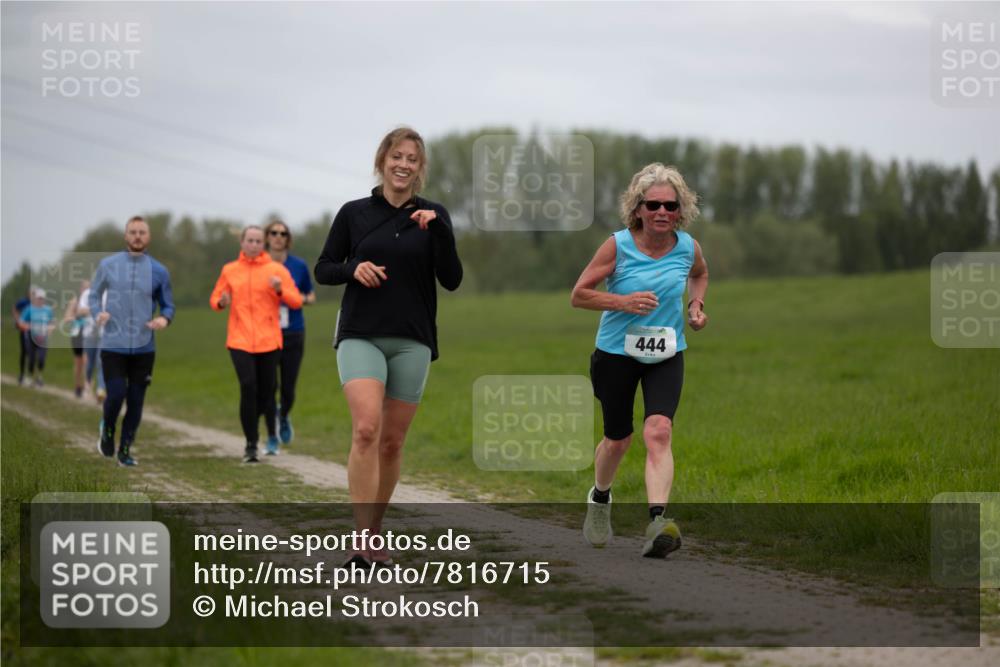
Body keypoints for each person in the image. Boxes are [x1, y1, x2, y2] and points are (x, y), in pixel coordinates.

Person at [315, 126, 463, 568]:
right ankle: (361, 540)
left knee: (393, 443)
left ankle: (374, 533)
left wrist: (439, 234)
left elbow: (452, 280)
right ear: (382, 161)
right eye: (396, 156)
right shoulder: (354, 213)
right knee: (366, 429)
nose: (403, 164)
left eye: (412, 159)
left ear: (420, 168)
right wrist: (352, 269)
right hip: (360, 332)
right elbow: (324, 268)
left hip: (413, 339)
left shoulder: (434, 215)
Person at [571, 163, 709, 559]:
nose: (662, 212)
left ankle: (657, 523)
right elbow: (579, 295)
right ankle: (599, 499)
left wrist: (696, 305)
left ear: (680, 209)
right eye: (653, 205)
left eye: (671, 205)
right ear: (638, 209)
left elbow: (700, 274)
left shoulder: (688, 247)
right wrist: (622, 302)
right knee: (618, 440)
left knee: (659, 431)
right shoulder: (618, 245)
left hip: (666, 353)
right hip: (616, 354)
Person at [210, 226, 303, 462]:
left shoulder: (276, 269)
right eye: (249, 240)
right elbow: (215, 299)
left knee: (266, 392)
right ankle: (251, 444)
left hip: (269, 340)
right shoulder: (230, 270)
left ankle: (261, 424)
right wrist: (221, 302)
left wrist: (280, 289)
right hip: (239, 339)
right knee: (248, 386)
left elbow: (295, 301)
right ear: (242, 243)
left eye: (258, 241)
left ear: (263, 244)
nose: (253, 244)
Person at [90, 216, 176, 467]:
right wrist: (98, 313)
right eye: (133, 232)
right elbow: (94, 296)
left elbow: (168, 304)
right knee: (116, 394)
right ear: (125, 236)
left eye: (142, 232)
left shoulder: (159, 271)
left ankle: (125, 448)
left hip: (144, 347)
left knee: (136, 401)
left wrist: (164, 319)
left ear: (148, 237)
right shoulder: (108, 265)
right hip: (113, 345)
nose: (137, 236)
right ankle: (107, 430)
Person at [263, 218, 316, 450]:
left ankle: (283, 415)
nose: (278, 237)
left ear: (288, 239)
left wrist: (295, 299)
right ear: (267, 237)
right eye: (274, 233)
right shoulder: (259, 265)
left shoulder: (298, 265)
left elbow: (311, 296)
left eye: (283, 234)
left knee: (288, 388)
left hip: (293, 331)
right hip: (265, 331)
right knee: (268, 385)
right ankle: (272, 435)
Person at [20, 287, 55, 386]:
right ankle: (30, 376)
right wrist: (28, 326)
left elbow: (52, 322)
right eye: (39, 298)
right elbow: (21, 322)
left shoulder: (48, 310)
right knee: (31, 358)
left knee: (41, 358)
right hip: (31, 337)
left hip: (43, 337)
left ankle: (39, 377)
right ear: (35, 299)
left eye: (42, 298)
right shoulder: (29, 309)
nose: (40, 300)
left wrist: (50, 328)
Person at [79, 280, 107, 403]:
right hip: (89, 333)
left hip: (103, 333)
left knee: (101, 361)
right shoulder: (87, 294)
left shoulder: (109, 294)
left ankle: (101, 389)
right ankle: (88, 385)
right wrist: (95, 310)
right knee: (89, 363)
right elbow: (80, 311)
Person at [62, 280, 90, 398]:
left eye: (89, 288)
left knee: (87, 361)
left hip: (89, 334)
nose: (87, 290)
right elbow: (66, 318)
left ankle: (86, 388)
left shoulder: (93, 301)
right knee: (79, 363)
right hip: (77, 333)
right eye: (85, 288)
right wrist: (77, 315)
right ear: (80, 289)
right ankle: (78, 387)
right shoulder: (75, 301)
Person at [12, 288, 32, 385]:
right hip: (24, 329)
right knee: (25, 351)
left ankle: (31, 375)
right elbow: (15, 308)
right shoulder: (23, 301)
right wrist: (18, 319)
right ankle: (22, 375)